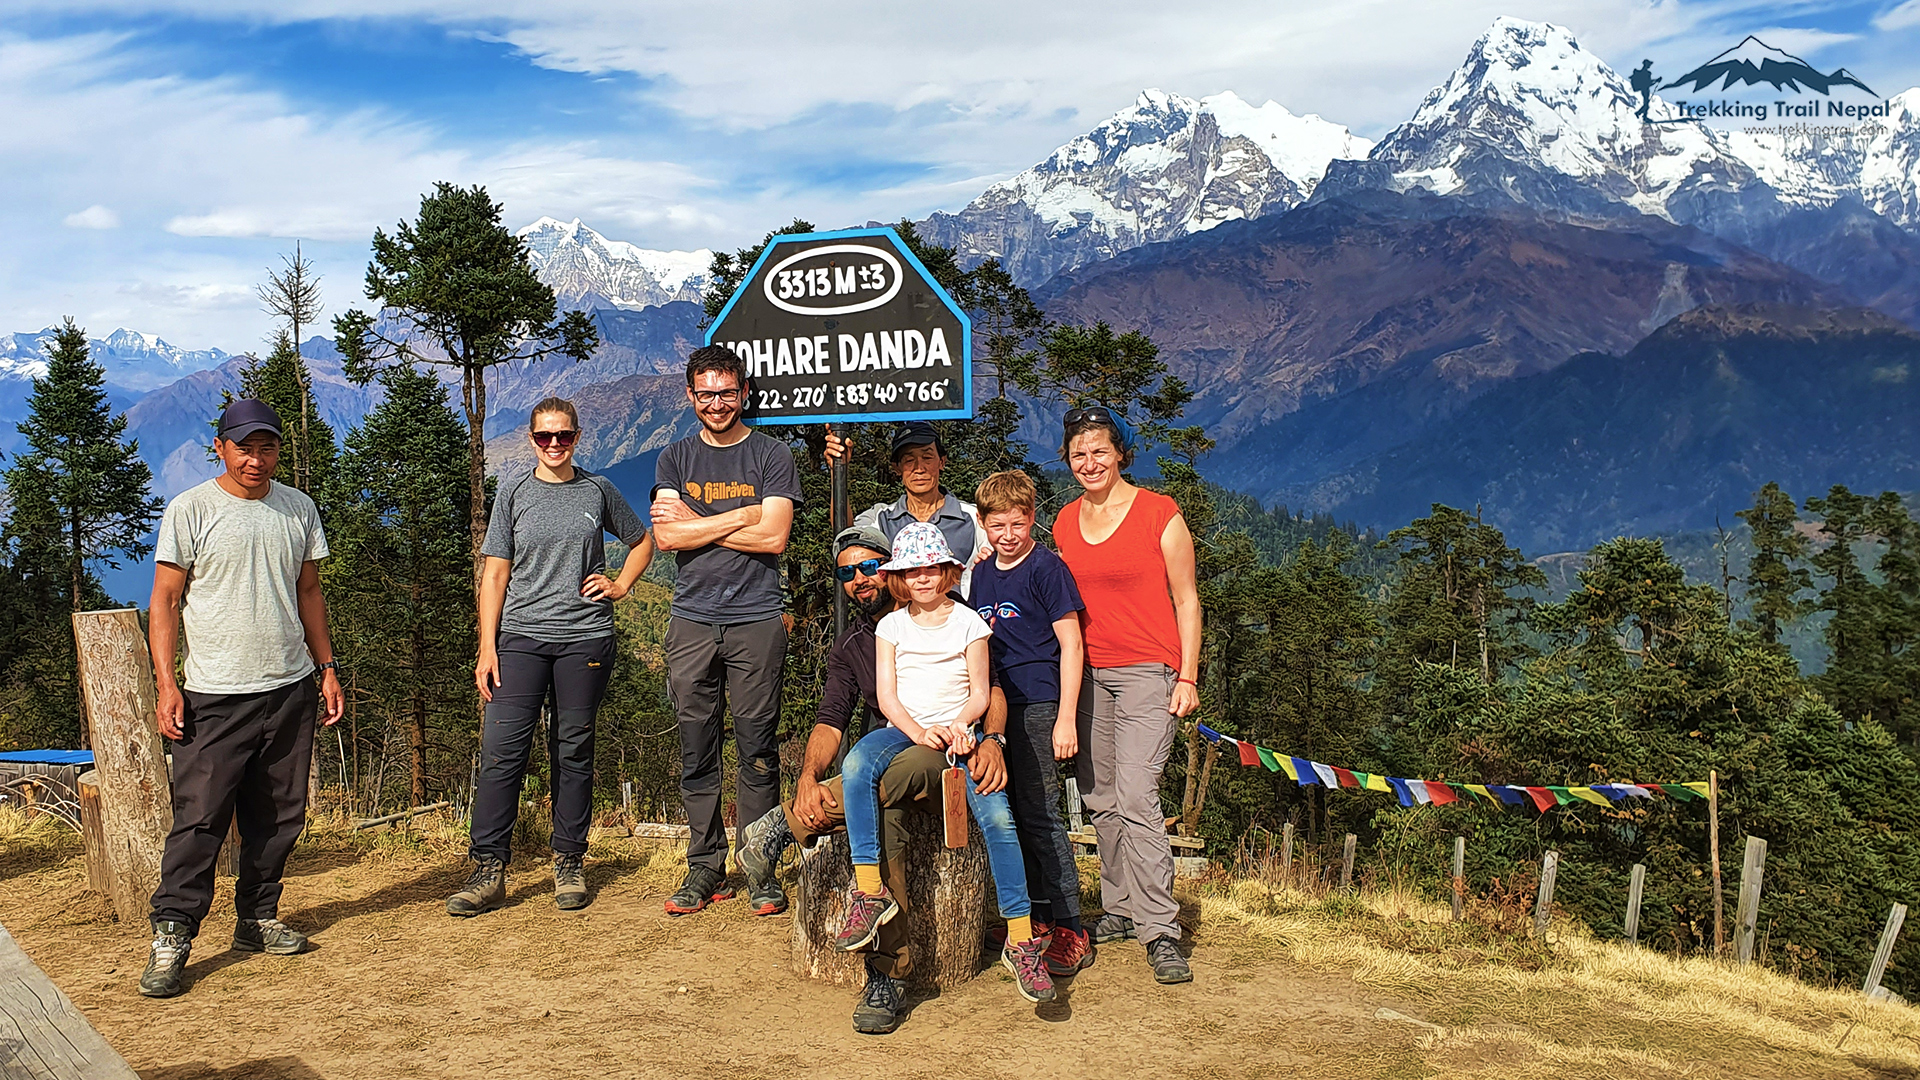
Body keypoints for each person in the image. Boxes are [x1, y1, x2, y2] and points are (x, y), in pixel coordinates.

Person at [737, 524, 1005, 1035]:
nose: (859, 579)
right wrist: (809, 776)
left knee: (895, 771)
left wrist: (993, 740)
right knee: (885, 815)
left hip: (947, 755)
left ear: (892, 569)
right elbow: (831, 718)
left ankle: (783, 826)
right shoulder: (854, 645)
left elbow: (989, 688)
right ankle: (887, 975)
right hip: (891, 761)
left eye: (868, 567)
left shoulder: (948, 616)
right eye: (846, 573)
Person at [141, 399, 345, 998]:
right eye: (244, 448)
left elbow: (309, 592)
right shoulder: (191, 509)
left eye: (267, 447)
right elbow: (164, 601)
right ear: (221, 448)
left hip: (289, 687)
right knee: (200, 818)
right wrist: (167, 683)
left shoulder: (298, 508)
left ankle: (257, 918)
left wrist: (327, 668)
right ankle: (172, 933)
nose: (256, 459)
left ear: (279, 449)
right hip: (214, 693)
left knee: (278, 815)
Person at [833, 521, 1055, 1005]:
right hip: (903, 730)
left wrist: (960, 725)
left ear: (949, 572)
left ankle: (1020, 938)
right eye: (912, 571)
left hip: (960, 736)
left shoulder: (970, 623)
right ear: (899, 577)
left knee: (999, 819)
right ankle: (869, 890)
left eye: (932, 569)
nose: (923, 578)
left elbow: (980, 691)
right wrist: (918, 733)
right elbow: (888, 697)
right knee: (856, 766)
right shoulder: (891, 627)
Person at [448, 397, 653, 917]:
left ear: (577, 437)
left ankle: (569, 860)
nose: (554, 444)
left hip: (585, 636)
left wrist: (621, 585)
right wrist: (487, 646)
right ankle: (488, 867)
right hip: (519, 638)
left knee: (573, 750)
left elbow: (642, 541)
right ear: (532, 439)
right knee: (501, 752)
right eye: (545, 436)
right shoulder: (514, 492)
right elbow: (495, 573)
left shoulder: (597, 489)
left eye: (563, 435)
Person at [1051, 406, 1202, 985]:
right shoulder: (1066, 521)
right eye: (1079, 454)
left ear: (1120, 453)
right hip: (1089, 673)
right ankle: (1119, 906)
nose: (1089, 463)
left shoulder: (1160, 514)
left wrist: (1187, 676)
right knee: (1101, 796)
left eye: (1100, 451)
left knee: (1138, 796)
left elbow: (1187, 600)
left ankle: (1160, 928)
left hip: (1148, 671)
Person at [651, 344, 801, 916]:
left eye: (727, 393)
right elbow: (668, 537)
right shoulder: (675, 458)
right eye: (706, 394)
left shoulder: (771, 454)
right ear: (691, 396)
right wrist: (742, 514)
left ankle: (760, 867)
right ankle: (704, 867)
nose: (717, 404)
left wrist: (701, 522)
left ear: (744, 393)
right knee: (697, 745)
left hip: (757, 617)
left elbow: (774, 537)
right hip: (692, 618)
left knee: (758, 747)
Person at [968, 469, 1093, 977]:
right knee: (1012, 813)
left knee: (1042, 816)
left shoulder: (1047, 568)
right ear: (983, 523)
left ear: (1032, 518)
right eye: (997, 525)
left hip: (1040, 701)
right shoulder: (982, 574)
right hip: (998, 705)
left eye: (1017, 524)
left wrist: (1066, 718)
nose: (1008, 535)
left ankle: (1071, 926)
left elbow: (1072, 643)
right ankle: (1035, 916)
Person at [825, 421, 990, 593]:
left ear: (942, 462)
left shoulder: (975, 518)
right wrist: (838, 469)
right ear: (897, 468)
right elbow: (846, 535)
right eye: (909, 460)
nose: (919, 468)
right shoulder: (881, 519)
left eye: (927, 458)